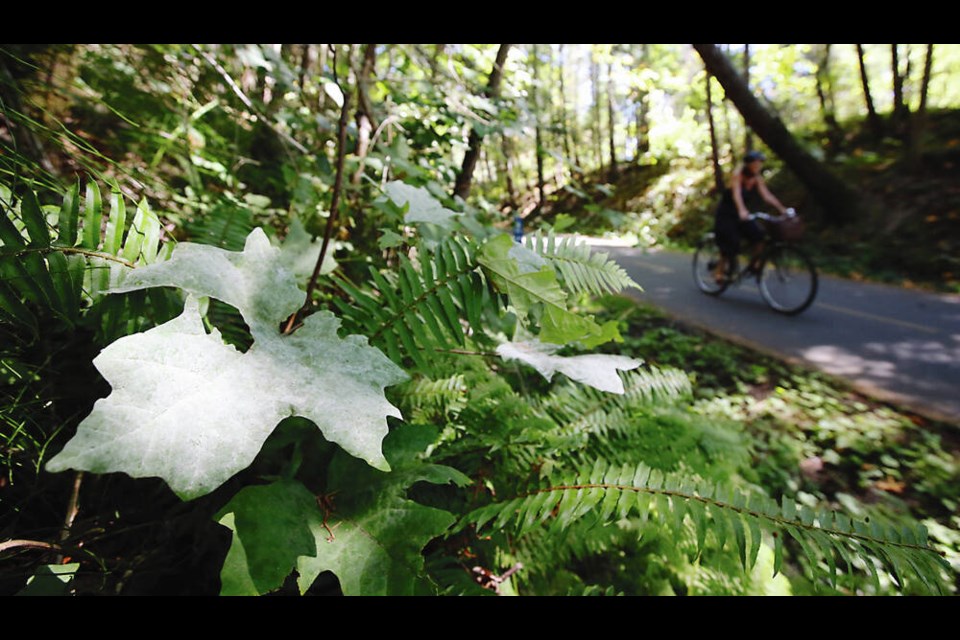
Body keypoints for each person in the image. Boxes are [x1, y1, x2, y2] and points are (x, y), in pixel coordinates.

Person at [713, 150, 790, 283]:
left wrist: (782, 209)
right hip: (727, 213)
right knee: (730, 243)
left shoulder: (756, 178)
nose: (758, 166)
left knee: (759, 236)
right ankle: (719, 271)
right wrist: (742, 210)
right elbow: (736, 194)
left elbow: (767, 196)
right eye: (755, 163)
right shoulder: (738, 175)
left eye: (759, 163)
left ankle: (754, 264)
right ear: (748, 164)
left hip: (743, 214)